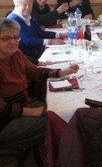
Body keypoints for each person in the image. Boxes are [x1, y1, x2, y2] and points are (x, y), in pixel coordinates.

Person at [0, 18, 79, 148]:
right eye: (6, 38)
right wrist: (32, 112)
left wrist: (61, 72)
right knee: (60, 122)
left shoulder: (16, 54)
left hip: (25, 104)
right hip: (6, 120)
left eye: (15, 37)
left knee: (66, 110)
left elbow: (35, 72)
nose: (13, 42)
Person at [7, 0, 66, 64]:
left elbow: (40, 32)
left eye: (30, 4)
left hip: (35, 54)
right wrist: (50, 41)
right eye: (24, 5)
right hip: (26, 59)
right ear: (16, 5)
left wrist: (59, 35)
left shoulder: (28, 17)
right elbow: (27, 40)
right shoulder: (14, 19)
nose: (28, 8)